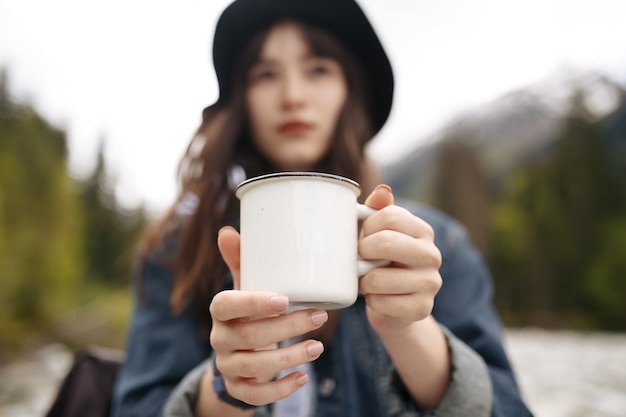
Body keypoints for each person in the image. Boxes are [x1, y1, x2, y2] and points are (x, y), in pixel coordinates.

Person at [110, 0, 533, 416]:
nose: (293, 96)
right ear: (241, 101)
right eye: (265, 74)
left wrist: (407, 328)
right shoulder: (178, 250)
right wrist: (228, 387)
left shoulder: (435, 245)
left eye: (318, 70)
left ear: (351, 90)